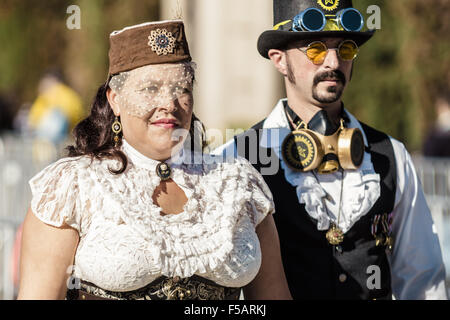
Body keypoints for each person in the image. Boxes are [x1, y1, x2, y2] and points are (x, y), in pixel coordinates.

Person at [17, 20, 291, 300]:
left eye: (181, 89)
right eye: (150, 89)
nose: (169, 104)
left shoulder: (238, 184)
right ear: (115, 100)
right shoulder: (72, 186)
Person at [215, 0, 448, 300]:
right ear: (279, 60)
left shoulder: (391, 155)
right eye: (315, 49)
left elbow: (423, 281)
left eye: (345, 49)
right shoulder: (235, 160)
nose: (333, 63)